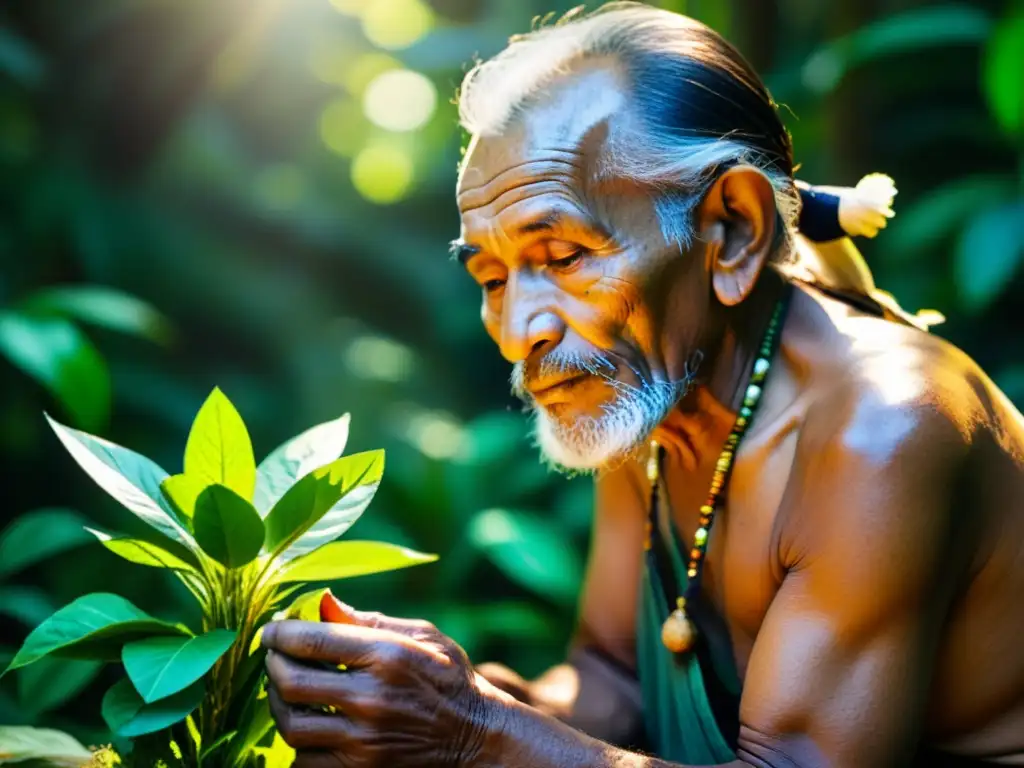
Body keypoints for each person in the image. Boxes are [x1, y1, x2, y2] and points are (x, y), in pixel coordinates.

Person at [262, 4, 1024, 766]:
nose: (522, 327)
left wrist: (473, 730)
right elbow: (612, 679)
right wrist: (447, 700)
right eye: (492, 276)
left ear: (730, 231)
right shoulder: (653, 393)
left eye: (562, 258)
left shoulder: (883, 433)